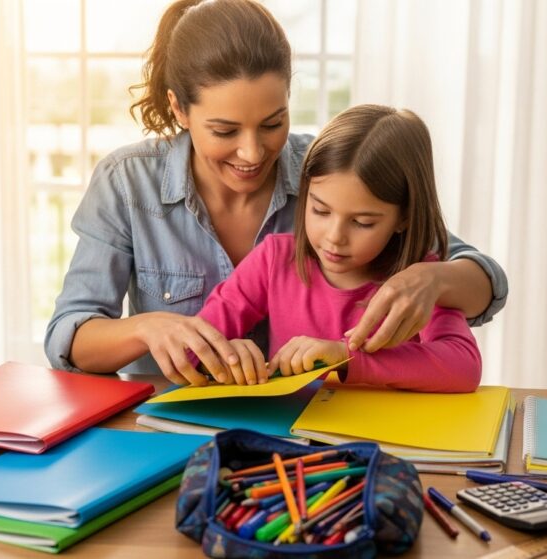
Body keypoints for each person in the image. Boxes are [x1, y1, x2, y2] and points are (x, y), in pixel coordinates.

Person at [45, 0, 505, 386]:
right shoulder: (127, 181)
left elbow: (480, 280)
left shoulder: (327, 173)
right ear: (178, 109)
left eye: (272, 123)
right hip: (175, 429)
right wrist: (149, 329)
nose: (252, 151)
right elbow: (67, 337)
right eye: (224, 130)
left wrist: (434, 281)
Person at [196, 104, 481, 392]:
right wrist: (227, 354)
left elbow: (464, 368)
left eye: (362, 222)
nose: (335, 237)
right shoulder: (274, 259)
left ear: (403, 217)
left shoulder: (417, 282)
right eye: (321, 211)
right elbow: (194, 347)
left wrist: (346, 357)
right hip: (288, 433)